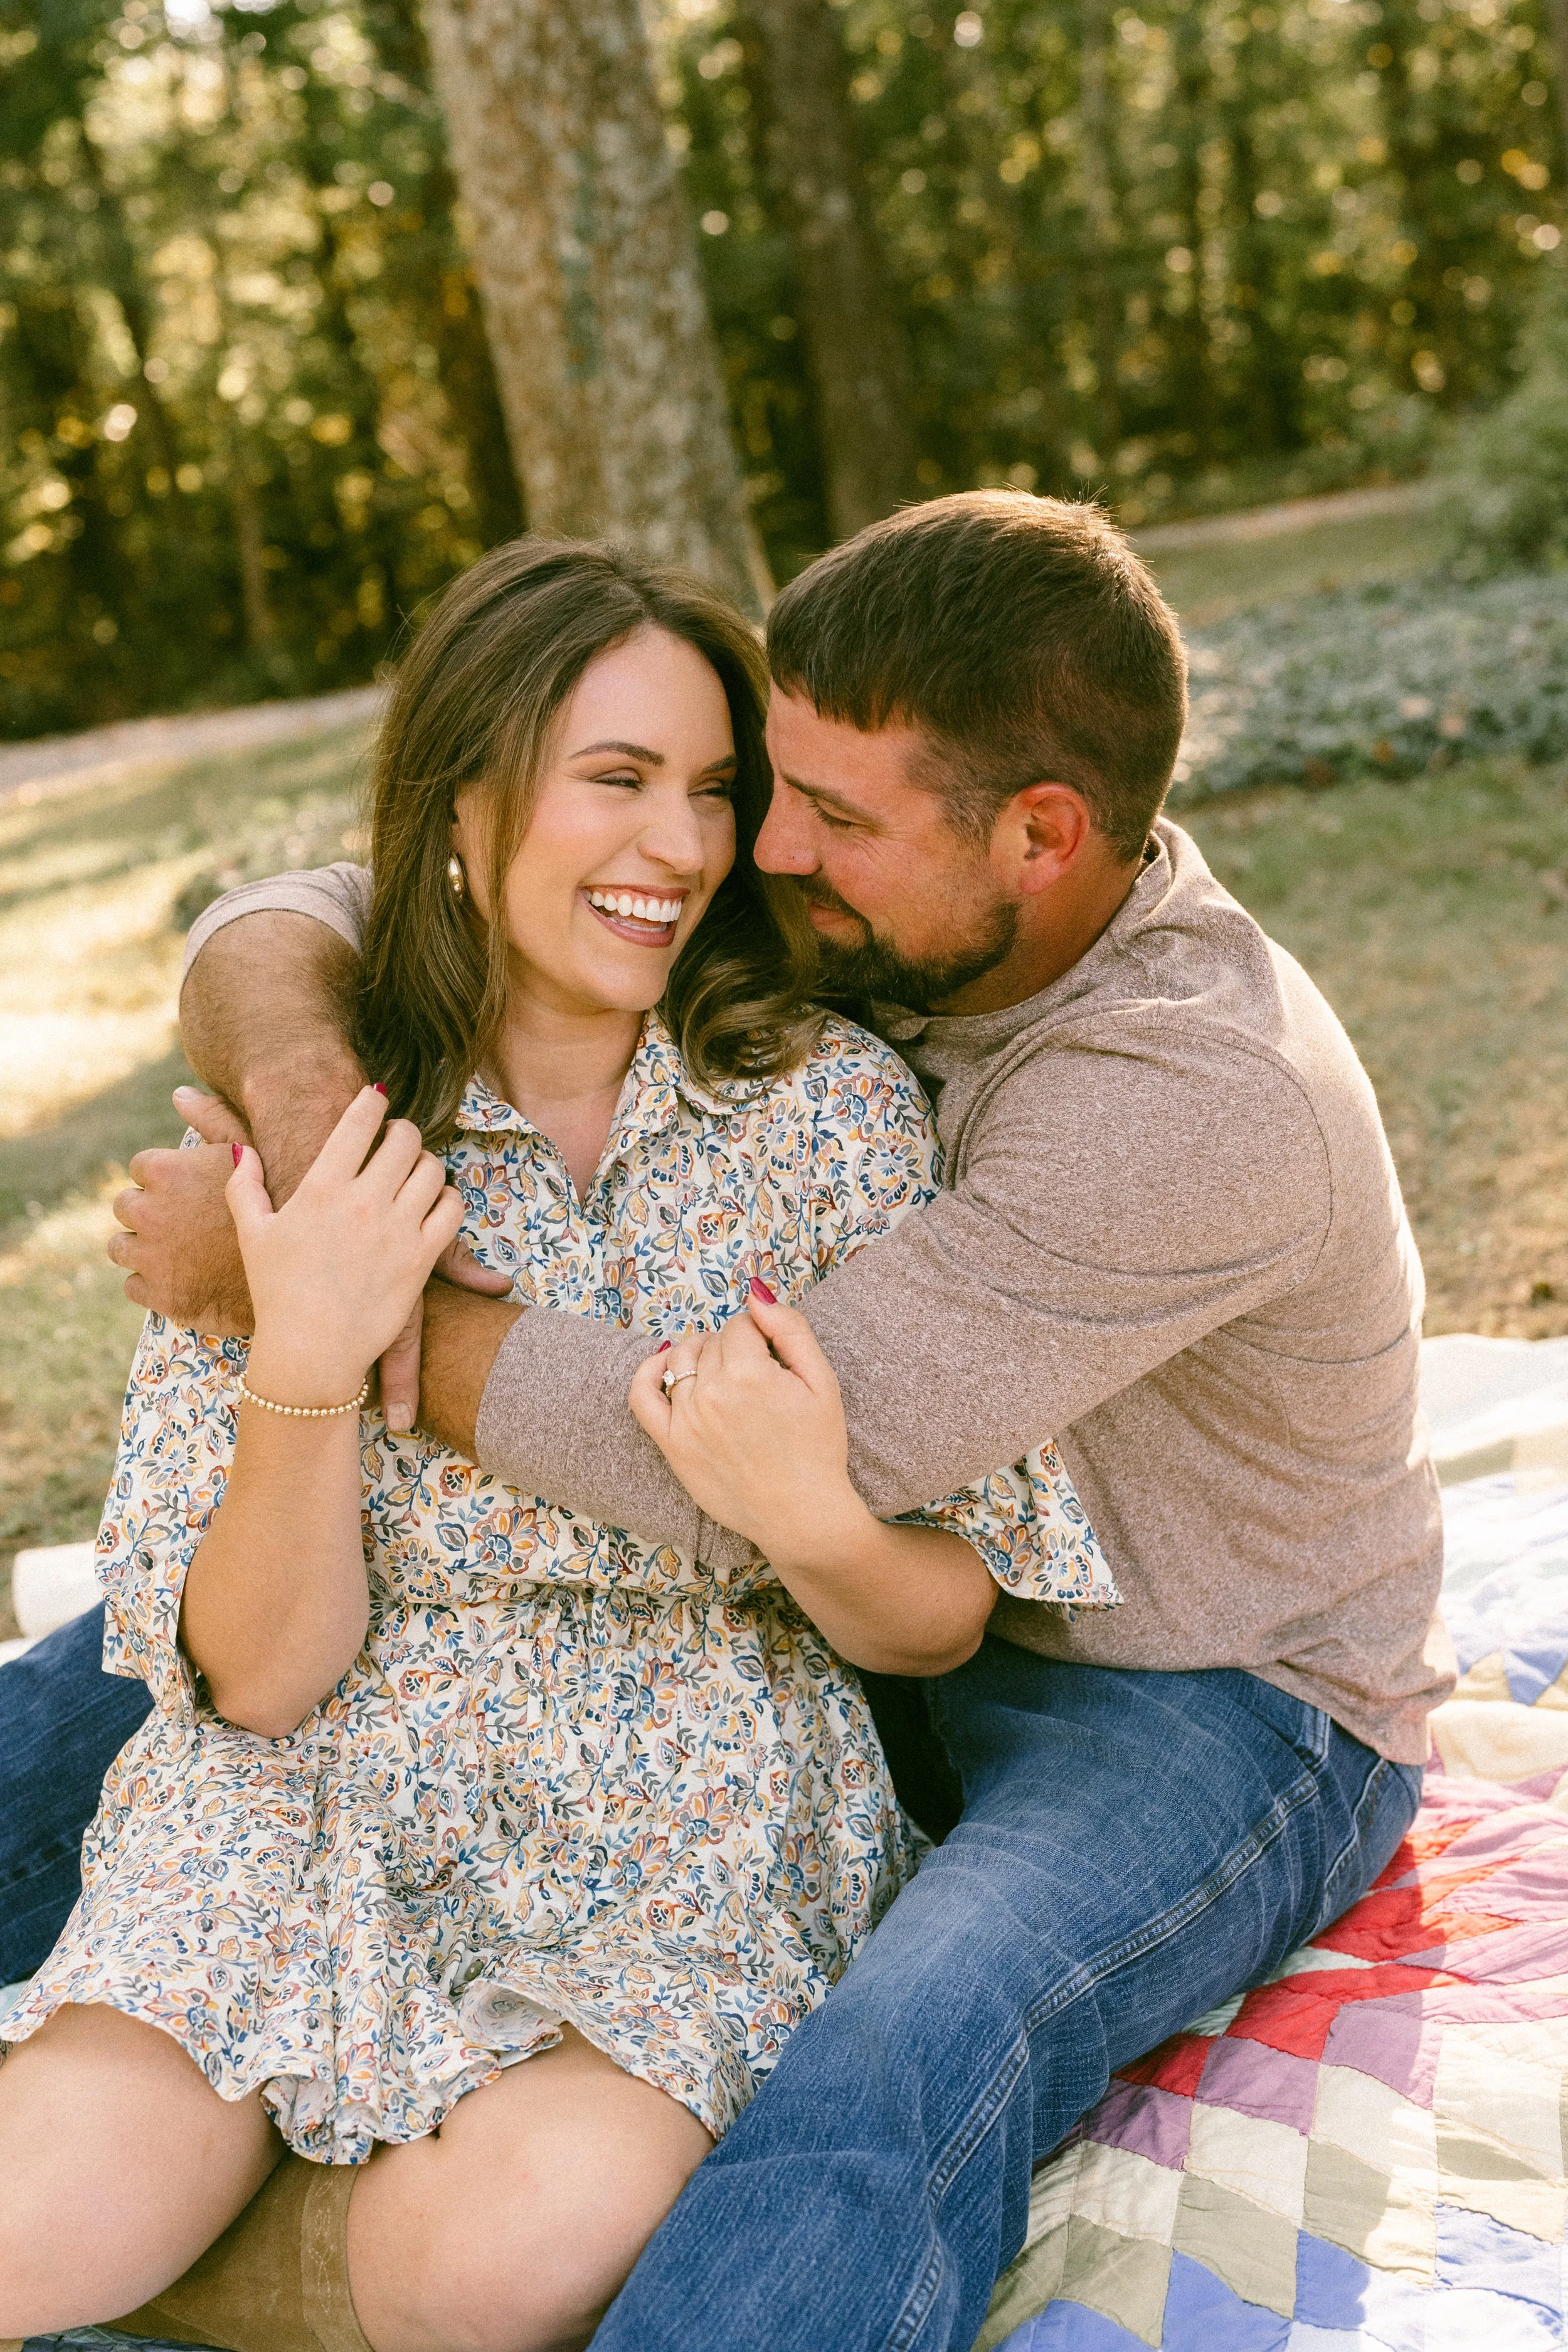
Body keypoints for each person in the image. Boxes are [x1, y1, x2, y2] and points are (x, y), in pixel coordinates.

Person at [4, 492, 1449, 2352]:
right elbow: (342, 898)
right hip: (786, 1609)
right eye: (765, 784)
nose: (749, 850)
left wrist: (312, 1283)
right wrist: (302, 1104)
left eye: (819, 816)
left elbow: (718, 1467)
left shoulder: (1189, 1093)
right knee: (109, 1686)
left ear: (1044, 837)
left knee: (904, 2049)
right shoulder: (861, 900)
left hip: (1186, 1680)